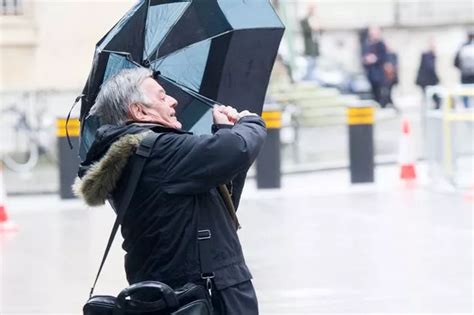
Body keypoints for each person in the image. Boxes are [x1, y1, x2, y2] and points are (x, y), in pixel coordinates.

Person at [73, 68, 266, 314]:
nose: (173, 100)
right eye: (162, 96)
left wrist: (224, 132)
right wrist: (250, 122)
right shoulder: (160, 151)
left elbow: (215, 211)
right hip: (205, 294)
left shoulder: (138, 155)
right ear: (139, 111)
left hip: (172, 295)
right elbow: (236, 149)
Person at [362, 26, 388, 107]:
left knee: (380, 92)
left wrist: (375, 59)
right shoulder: (367, 44)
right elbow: (363, 57)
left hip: (379, 73)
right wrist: (367, 60)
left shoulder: (381, 44)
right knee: (373, 93)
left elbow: (384, 58)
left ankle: (381, 106)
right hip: (370, 73)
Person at [416, 40, 441, 109]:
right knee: (431, 95)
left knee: (430, 95)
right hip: (427, 80)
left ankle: (431, 108)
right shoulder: (428, 56)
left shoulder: (427, 55)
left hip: (426, 80)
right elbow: (430, 68)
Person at [454, 30, 474, 108]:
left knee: (465, 93)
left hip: (465, 75)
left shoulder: (462, 47)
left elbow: (455, 62)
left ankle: (467, 111)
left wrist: (462, 69)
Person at [300, 4, 320, 80]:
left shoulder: (315, 19)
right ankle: (309, 79)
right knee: (309, 65)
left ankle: (312, 79)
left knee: (314, 65)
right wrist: (312, 28)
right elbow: (306, 30)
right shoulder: (305, 20)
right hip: (309, 48)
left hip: (314, 48)